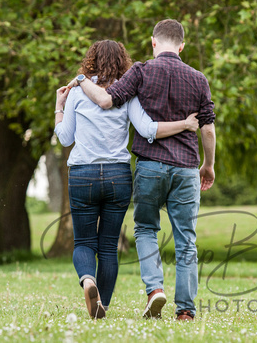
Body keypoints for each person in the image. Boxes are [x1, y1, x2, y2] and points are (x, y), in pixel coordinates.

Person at [68, 20, 216, 321]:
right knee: (186, 238)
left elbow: (106, 100)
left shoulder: (141, 71)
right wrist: (208, 165)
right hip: (187, 167)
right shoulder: (199, 79)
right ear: (182, 45)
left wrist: (82, 80)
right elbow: (209, 129)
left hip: (149, 166)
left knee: (146, 229)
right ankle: (185, 310)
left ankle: (154, 290)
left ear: (153, 42)